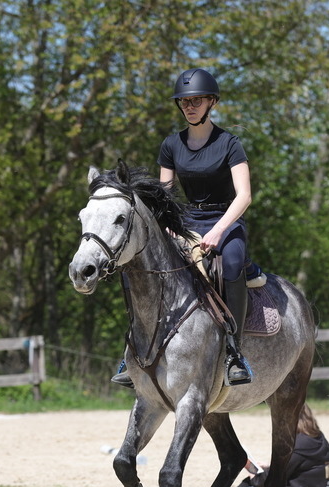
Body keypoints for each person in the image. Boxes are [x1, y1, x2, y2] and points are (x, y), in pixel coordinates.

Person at [113, 67, 260, 388]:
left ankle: (233, 352)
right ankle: (132, 350)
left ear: (212, 102)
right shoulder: (171, 145)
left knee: (232, 262)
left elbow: (245, 195)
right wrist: (169, 229)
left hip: (225, 219)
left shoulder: (230, 144)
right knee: (135, 265)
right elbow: (165, 195)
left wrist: (219, 232)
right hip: (185, 221)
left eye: (196, 100)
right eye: (184, 101)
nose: (189, 106)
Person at [215, 403, 329, 487]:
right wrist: (268, 467)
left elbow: (271, 480)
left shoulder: (297, 445)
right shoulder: (317, 437)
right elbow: (302, 468)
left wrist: (255, 474)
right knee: (247, 486)